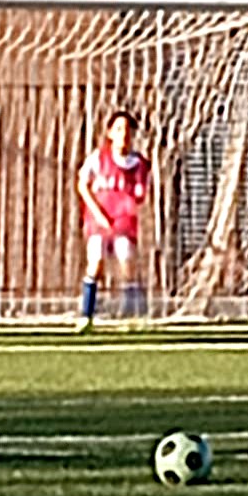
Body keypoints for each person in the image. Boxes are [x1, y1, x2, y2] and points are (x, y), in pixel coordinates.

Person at [75, 110, 151, 332]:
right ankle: (86, 316)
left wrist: (129, 210)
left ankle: (132, 315)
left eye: (127, 130)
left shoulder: (138, 164)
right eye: (118, 129)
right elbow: (82, 184)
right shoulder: (99, 158)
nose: (123, 135)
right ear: (110, 133)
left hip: (122, 225)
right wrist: (98, 213)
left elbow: (139, 195)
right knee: (95, 264)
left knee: (128, 267)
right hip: (99, 222)